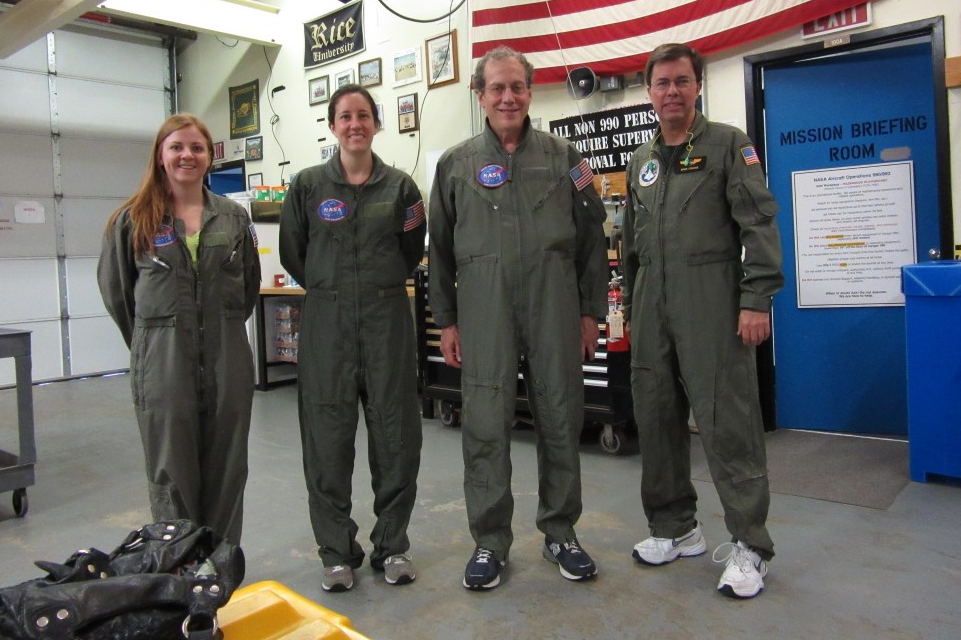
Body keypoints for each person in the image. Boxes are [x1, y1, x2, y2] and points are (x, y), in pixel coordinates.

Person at [428, 46, 609, 590]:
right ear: (479, 95)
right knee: (485, 421)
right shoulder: (454, 164)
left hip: (554, 303)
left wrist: (590, 312)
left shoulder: (568, 159)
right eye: (497, 88)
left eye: (517, 87)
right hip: (484, 308)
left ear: (530, 92)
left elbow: (593, 241)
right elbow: (438, 251)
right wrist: (448, 320)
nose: (508, 97)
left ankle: (560, 532)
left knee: (561, 414)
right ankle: (490, 541)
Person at [621, 43, 784, 599]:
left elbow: (758, 224)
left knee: (727, 421)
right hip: (650, 306)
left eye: (681, 81)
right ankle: (675, 528)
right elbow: (631, 243)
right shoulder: (641, 160)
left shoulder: (727, 146)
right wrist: (626, 304)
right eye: (662, 83)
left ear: (698, 87)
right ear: (649, 92)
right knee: (657, 415)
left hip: (711, 301)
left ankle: (750, 545)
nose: (672, 91)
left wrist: (756, 298)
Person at [279, 84, 426, 593]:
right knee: (326, 442)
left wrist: (375, 287)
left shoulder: (403, 189)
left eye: (364, 115)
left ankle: (393, 546)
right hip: (327, 327)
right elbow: (293, 254)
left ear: (376, 124)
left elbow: (411, 250)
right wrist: (333, 290)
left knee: (396, 438)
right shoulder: (307, 187)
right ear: (332, 125)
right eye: (345, 116)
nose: (355, 124)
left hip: (388, 322)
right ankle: (336, 553)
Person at [98, 113, 261, 545]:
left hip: (227, 358)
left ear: (209, 157)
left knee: (228, 469)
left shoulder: (233, 219)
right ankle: (180, 577)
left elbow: (245, 290)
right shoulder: (131, 220)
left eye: (197, 147)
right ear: (160, 155)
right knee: (172, 473)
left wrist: (216, 329)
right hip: (163, 361)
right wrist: (157, 341)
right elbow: (119, 296)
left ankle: (219, 576)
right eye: (177, 147)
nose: (187, 155)